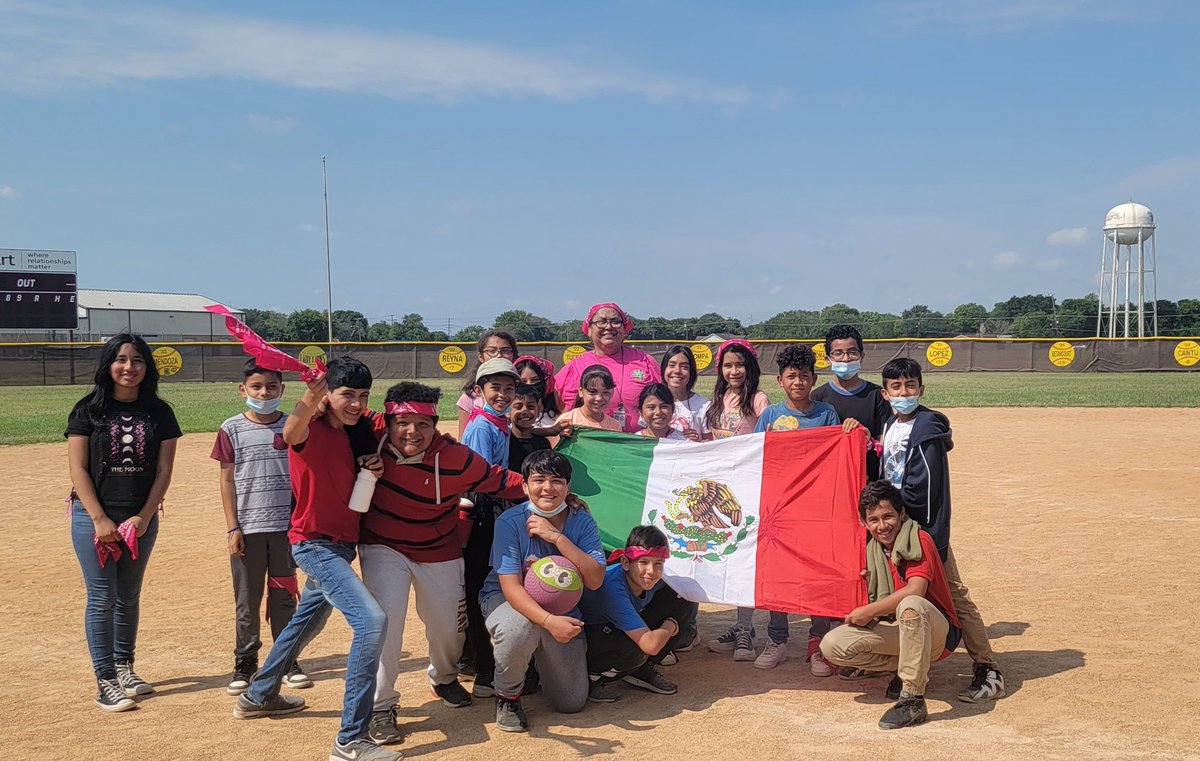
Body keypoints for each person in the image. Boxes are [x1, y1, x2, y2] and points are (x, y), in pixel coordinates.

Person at [231, 357, 400, 761]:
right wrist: (311, 395)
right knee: (371, 621)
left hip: (342, 544)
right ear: (327, 394)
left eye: (362, 396)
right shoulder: (309, 428)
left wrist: (372, 464)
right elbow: (291, 432)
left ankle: (259, 694)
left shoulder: (354, 434)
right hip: (314, 544)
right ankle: (350, 739)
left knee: (307, 621)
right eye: (347, 394)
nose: (356, 403)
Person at [357, 382, 526, 746]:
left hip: (439, 548)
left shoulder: (455, 457)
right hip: (383, 545)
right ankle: (381, 706)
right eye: (402, 422)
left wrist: (549, 488)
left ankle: (444, 677)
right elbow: (333, 407)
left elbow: (499, 480)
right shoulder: (370, 433)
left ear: (435, 425)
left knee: (448, 629)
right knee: (386, 622)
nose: (412, 432)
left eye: (423, 424)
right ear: (387, 422)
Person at [879, 357, 1005, 703]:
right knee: (903, 595)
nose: (904, 392)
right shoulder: (891, 425)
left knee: (953, 593)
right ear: (886, 393)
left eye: (910, 386)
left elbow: (927, 490)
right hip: (896, 527)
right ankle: (906, 667)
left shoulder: (927, 429)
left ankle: (987, 668)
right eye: (896, 387)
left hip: (923, 531)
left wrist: (931, 540)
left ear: (921, 389)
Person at [66, 333, 181, 712]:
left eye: (137, 360)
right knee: (102, 597)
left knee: (128, 596)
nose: (129, 367)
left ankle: (124, 666)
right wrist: (99, 518)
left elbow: (164, 471)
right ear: (108, 365)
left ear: (147, 368)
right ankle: (105, 681)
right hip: (93, 516)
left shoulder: (160, 413)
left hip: (140, 517)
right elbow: (77, 468)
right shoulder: (88, 410)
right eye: (120, 359)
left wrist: (144, 516)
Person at [725, 345, 843, 673]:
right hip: (778, 511)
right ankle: (776, 639)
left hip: (815, 512)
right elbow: (755, 461)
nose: (798, 382)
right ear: (780, 380)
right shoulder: (771, 416)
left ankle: (818, 643)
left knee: (816, 574)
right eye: (791, 376)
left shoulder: (826, 415)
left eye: (804, 376)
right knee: (779, 576)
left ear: (814, 378)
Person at [479, 450, 606, 732]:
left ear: (568, 487)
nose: (547, 488)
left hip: (561, 605)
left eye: (556, 481)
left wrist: (556, 537)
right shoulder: (510, 522)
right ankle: (507, 695)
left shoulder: (582, 520)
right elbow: (511, 588)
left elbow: (595, 579)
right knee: (520, 626)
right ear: (524, 486)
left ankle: (533, 665)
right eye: (538, 480)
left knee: (571, 702)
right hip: (508, 601)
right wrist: (548, 622)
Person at [820, 481, 962, 729]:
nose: (882, 526)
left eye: (888, 517)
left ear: (902, 514)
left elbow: (916, 589)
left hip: (937, 632)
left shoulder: (918, 540)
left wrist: (869, 611)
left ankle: (912, 698)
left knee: (912, 604)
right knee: (832, 645)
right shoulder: (872, 550)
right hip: (899, 629)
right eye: (873, 519)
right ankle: (908, 666)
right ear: (864, 523)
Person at [211, 360, 310, 696]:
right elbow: (226, 479)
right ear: (243, 390)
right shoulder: (231, 428)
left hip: (285, 529)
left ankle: (287, 660)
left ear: (282, 389)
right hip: (248, 528)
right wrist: (232, 527)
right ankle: (245, 662)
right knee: (247, 599)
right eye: (256, 387)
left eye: (271, 387)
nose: (264, 393)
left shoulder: (292, 427)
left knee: (285, 597)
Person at [579, 526, 698, 703]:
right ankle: (593, 677)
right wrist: (671, 624)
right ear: (626, 562)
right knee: (634, 648)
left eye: (658, 563)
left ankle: (641, 668)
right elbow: (650, 645)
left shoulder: (649, 578)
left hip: (618, 624)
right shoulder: (613, 590)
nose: (651, 571)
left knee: (685, 595)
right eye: (643, 562)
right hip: (592, 636)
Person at [554, 302, 662, 432]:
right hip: (587, 446)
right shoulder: (576, 365)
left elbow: (668, 400)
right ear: (589, 330)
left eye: (615, 321)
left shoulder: (644, 361)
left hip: (636, 445)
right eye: (601, 321)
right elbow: (550, 402)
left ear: (624, 329)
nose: (609, 327)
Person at [810, 325, 892, 481]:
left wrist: (868, 441)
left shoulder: (877, 395)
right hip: (832, 478)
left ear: (862, 356)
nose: (846, 359)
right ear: (828, 359)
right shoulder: (817, 397)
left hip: (870, 479)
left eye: (852, 352)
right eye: (838, 353)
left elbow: (885, 443)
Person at [457, 330, 519, 438]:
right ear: (481, 357)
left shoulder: (522, 392)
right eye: (492, 351)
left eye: (506, 351)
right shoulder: (469, 397)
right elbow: (463, 440)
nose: (499, 355)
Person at [461, 357, 520, 469]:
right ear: (479, 391)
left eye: (509, 389)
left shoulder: (498, 420)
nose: (502, 394)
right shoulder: (482, 427)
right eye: (495, 388)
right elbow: (481, 473)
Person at [704, 339, 769, 439]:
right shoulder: (719, 397)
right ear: (720, 368)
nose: (734, 371)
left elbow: (765, 437)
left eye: (740, 365)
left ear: (750, 367)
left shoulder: (758, 399)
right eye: (728, 366)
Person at [659, 344, 711, 441]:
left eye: (684, 367)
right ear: (663, 369)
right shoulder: (652, 401)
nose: (677, 370)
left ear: (691, 372)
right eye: (671, 365)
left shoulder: (704, 405)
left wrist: (698, 440)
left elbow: (709, 442)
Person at [557, 365, 623, 432]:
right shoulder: (566, 421)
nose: (599, 398)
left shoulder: (615, 426)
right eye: (592, 392)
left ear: (612, 393)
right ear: (580, 391)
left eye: (605, 392)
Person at [508, 383, 551, 474]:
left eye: (530, 407)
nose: (525, 411)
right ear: (507, 411)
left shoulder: (543, 444)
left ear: (538, 410)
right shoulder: (504, 440)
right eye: (518, 407)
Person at [514, 355, 562, 429]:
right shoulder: (509, 418)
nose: (529, 385)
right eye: (523, 382)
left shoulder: (558, 418)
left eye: (535, 380)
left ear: (546, 381)